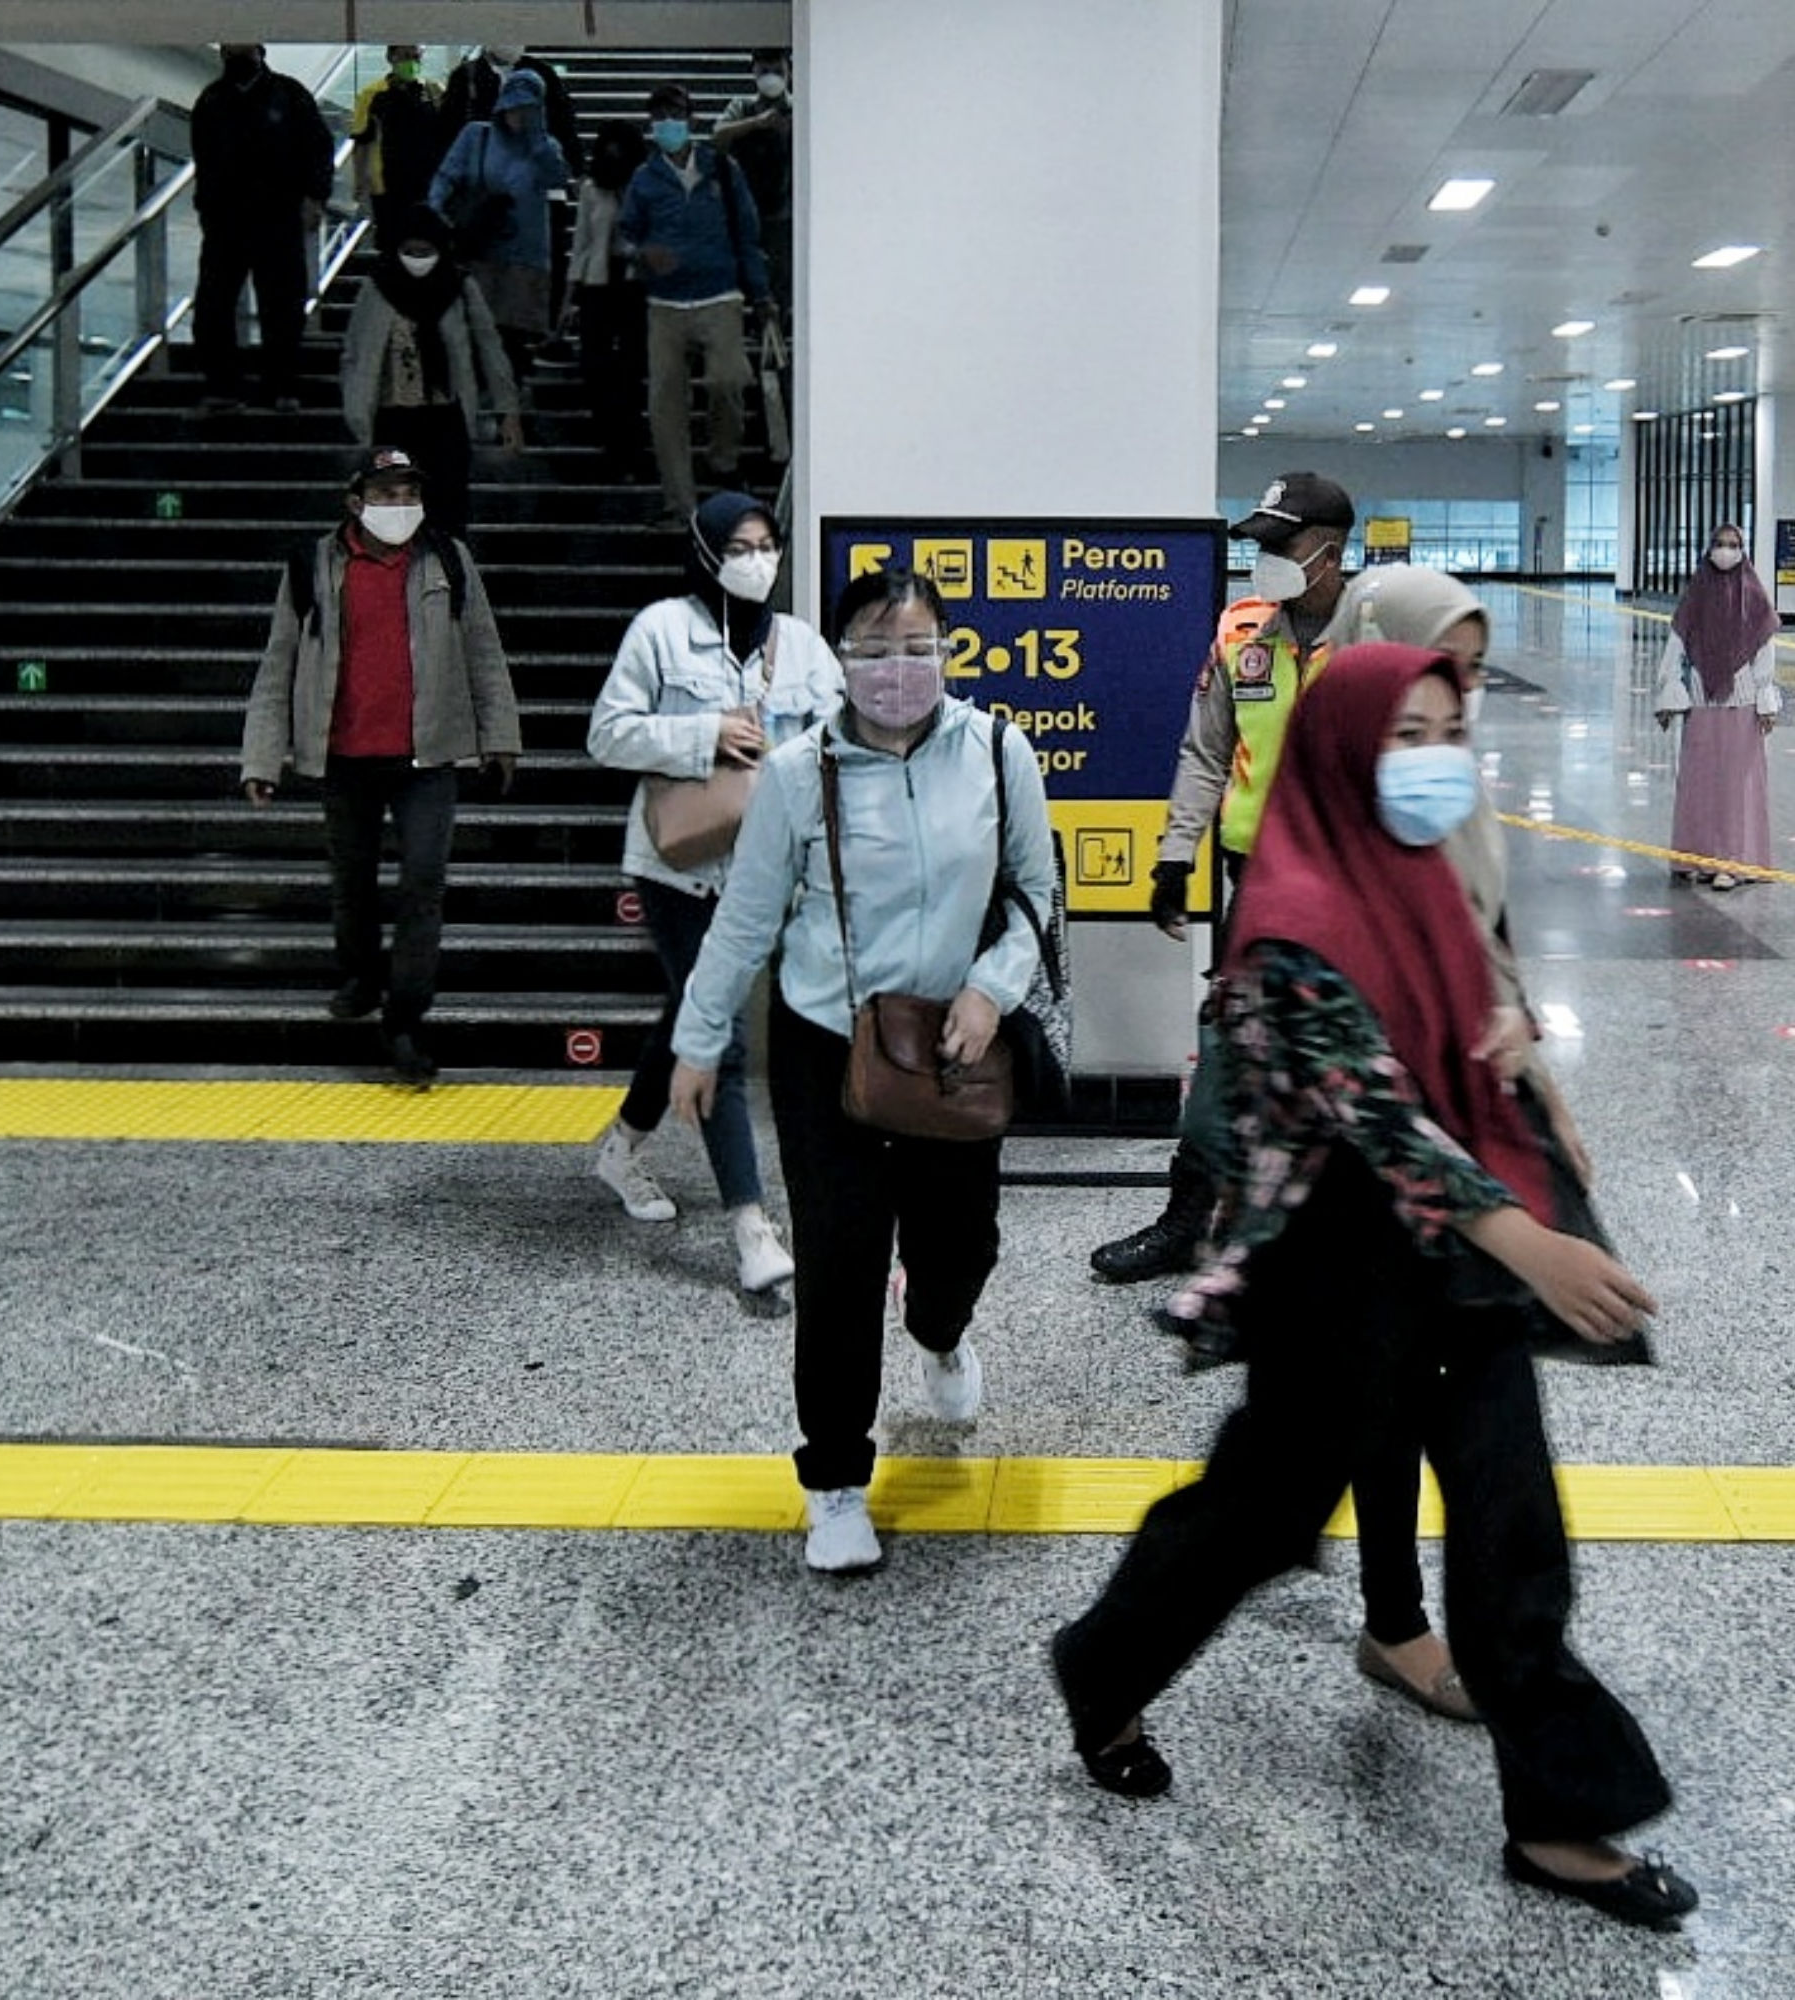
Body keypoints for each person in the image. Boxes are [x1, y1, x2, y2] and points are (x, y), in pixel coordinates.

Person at [1047, 642, 1696, 1934]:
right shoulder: (1292, 918)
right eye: (1406, 734)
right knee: (1260, 1517)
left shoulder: (1424, 877)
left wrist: (1519, 1064)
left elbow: (1468, 1028)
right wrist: (1537, 1245)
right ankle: (1104, 1665)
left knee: (1513, 1526)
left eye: (1450, 732)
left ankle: (1560, 1814)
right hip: (1336, 1270)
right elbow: (1378, 1118)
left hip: (1454, 1264)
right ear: (1343, 748)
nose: (1434, 760)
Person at [667, 566, 1054, 1574]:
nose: (897, 669)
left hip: (955, 1044)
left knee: (961, 1247)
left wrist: (991, 989)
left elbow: (1033, 894)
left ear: (948, 651)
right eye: (875, 650)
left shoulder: (998, 750)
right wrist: (698, 1040)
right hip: (826, 1048)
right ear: (841, 658)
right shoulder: (801, 772)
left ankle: (938, 1328)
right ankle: (835, 1479)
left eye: (917, 647)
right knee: (839, 1264)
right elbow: (745, 919)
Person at [1090, 472, 1356, 1286]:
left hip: (1354, 893)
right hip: (1258, 885)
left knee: (1343, 1065)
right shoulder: (1242, 631)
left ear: (1329, 551)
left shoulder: (1381, 636)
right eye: (1260, 544)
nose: (1264, 560)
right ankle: (1187, 1220)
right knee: (1224, 1051)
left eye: (1281, 544)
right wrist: (1176, 857)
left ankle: (1337, 1241)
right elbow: (1206, 753)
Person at [586, 495, 844, 1292]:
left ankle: (622, 1147)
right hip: (677, 865)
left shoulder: (801, 646)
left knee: (688, 1010)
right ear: (705, 553)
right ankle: (750, 1226)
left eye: (768, 546)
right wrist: (704, 735)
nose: (757, 561)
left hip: (763, 872)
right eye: (740, 547)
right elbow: (607, 732)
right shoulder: (661, 630)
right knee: (720, 1030)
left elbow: (839, 738)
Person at [238, 448, 521, 1086]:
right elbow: (279, 662)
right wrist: (262, 756)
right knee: (353, 882)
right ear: (355, 502)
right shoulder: (312, 564)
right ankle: (362, 973)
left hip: (428, 754)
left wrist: (500, 736)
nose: (400, 506)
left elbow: (483, 649)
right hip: (343, 755)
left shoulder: (447, 559)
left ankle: (406, 1017)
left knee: (423, 883)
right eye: (386, 494)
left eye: (408, 493)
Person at [619, 85, 775, 530]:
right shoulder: (644, 179)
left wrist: (761, 294)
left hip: (719, 295)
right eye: (660, 116)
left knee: (729, 380)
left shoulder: (722, 169)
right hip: (664, 304)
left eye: (675, 113)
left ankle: (723, 460)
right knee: (665, 404)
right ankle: (680, 503)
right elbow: (624, 235)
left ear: (692, 119)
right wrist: (642, 254)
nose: (668, 123)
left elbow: (747, 235)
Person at [338, 206, 521, 536]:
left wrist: (507, 408)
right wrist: (357, 413)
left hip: (445, 417)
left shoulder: (458, 286)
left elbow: (490, 346)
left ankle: (446, 568)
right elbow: (355, 352)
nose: (418, 259)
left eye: (426, 251)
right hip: (392, 418)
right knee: (395, 519)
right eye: (410, 251)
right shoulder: (377, 288)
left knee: (447, 513)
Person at [187, 43, 335, 415]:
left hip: (278, 216)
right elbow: (203, 158)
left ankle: (282, 385)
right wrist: (206, 207)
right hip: (225, 221)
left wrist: (316, 196)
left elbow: (319, 147)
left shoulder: (289, 94)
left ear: (260, 49)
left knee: (282, 305)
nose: (237, 50)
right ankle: (222, 386)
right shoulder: (212, 100)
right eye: (230, 44)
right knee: (212, 305)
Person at [1650, 524, 1782, 891]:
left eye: (1733, 545)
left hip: (1743, 703)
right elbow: (1677, 644)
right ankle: (1698, 856)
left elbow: (1764, 650)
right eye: (1720, 544)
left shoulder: (1754, 596)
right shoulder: (1696, 595)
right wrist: (1669, 690)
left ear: (1743, 549)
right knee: (1699, 781)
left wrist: (1765, 699)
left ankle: (1734, 860)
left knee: (1738, 786)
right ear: (1709, 549)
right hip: (1702, 700)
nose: (1726, 551)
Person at [426, 67, 571, 385]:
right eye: (515, 106)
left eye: (528, 108)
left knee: (513, 339)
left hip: (525, 258)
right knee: (478, 328)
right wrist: (436, 216)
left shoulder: (545, 147)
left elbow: (557, 178)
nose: (519, 114)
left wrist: (537, 138)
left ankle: (509, 396)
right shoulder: (476, 136)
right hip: (481, 248)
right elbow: (447, 176)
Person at [568, 122, 653, 485]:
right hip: (598, 283)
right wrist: (570, 295)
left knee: (632, 370)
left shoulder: (647, 186)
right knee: (595, 367)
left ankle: (632, 449)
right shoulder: (592, 189)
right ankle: (612, 445)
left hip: (636, 286)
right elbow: (582, 242)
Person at [712, 51, 798, 307]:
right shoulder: (741, 107)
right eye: (764, 71)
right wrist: (756, 123)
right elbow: (718, 136)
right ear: (754, 73)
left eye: (778, 71)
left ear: (790, 72)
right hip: (745, 209)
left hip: (784, 212)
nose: (772, 78)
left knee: (783, 283)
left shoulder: (800, 107)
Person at [439, 43, 581, 175]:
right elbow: (449, 130)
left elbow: (563, 122)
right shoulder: (465, 76)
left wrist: (577, 167)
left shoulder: (541, 72)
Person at [347, 46, 444, 222]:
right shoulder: (372, 94)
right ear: (391, 57)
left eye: (416, 57)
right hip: (387, 181)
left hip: (428, 179)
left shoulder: (434, 91)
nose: (412, 62)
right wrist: (360, 182)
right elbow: (361, 140)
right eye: (405, 56)